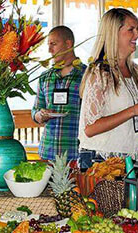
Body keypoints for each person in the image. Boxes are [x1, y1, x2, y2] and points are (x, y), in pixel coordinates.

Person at [78, 8, 138, 167]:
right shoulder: (99, 72)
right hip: (101, 159)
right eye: (131, 29)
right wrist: (136, 109)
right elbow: (89, 129)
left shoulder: (136, 71)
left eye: (137, 30)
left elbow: (130, 121)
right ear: (113, 33)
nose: (137, 35)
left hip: (132, 157)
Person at [32, 26, 86, 161]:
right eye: (48, 45)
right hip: (47, 153)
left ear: (68, 44)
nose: (50, 50)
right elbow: (35, 111)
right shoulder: (45, 76)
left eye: (53, 44)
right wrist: (41, 115)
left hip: (76, 154)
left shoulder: (87, 75)